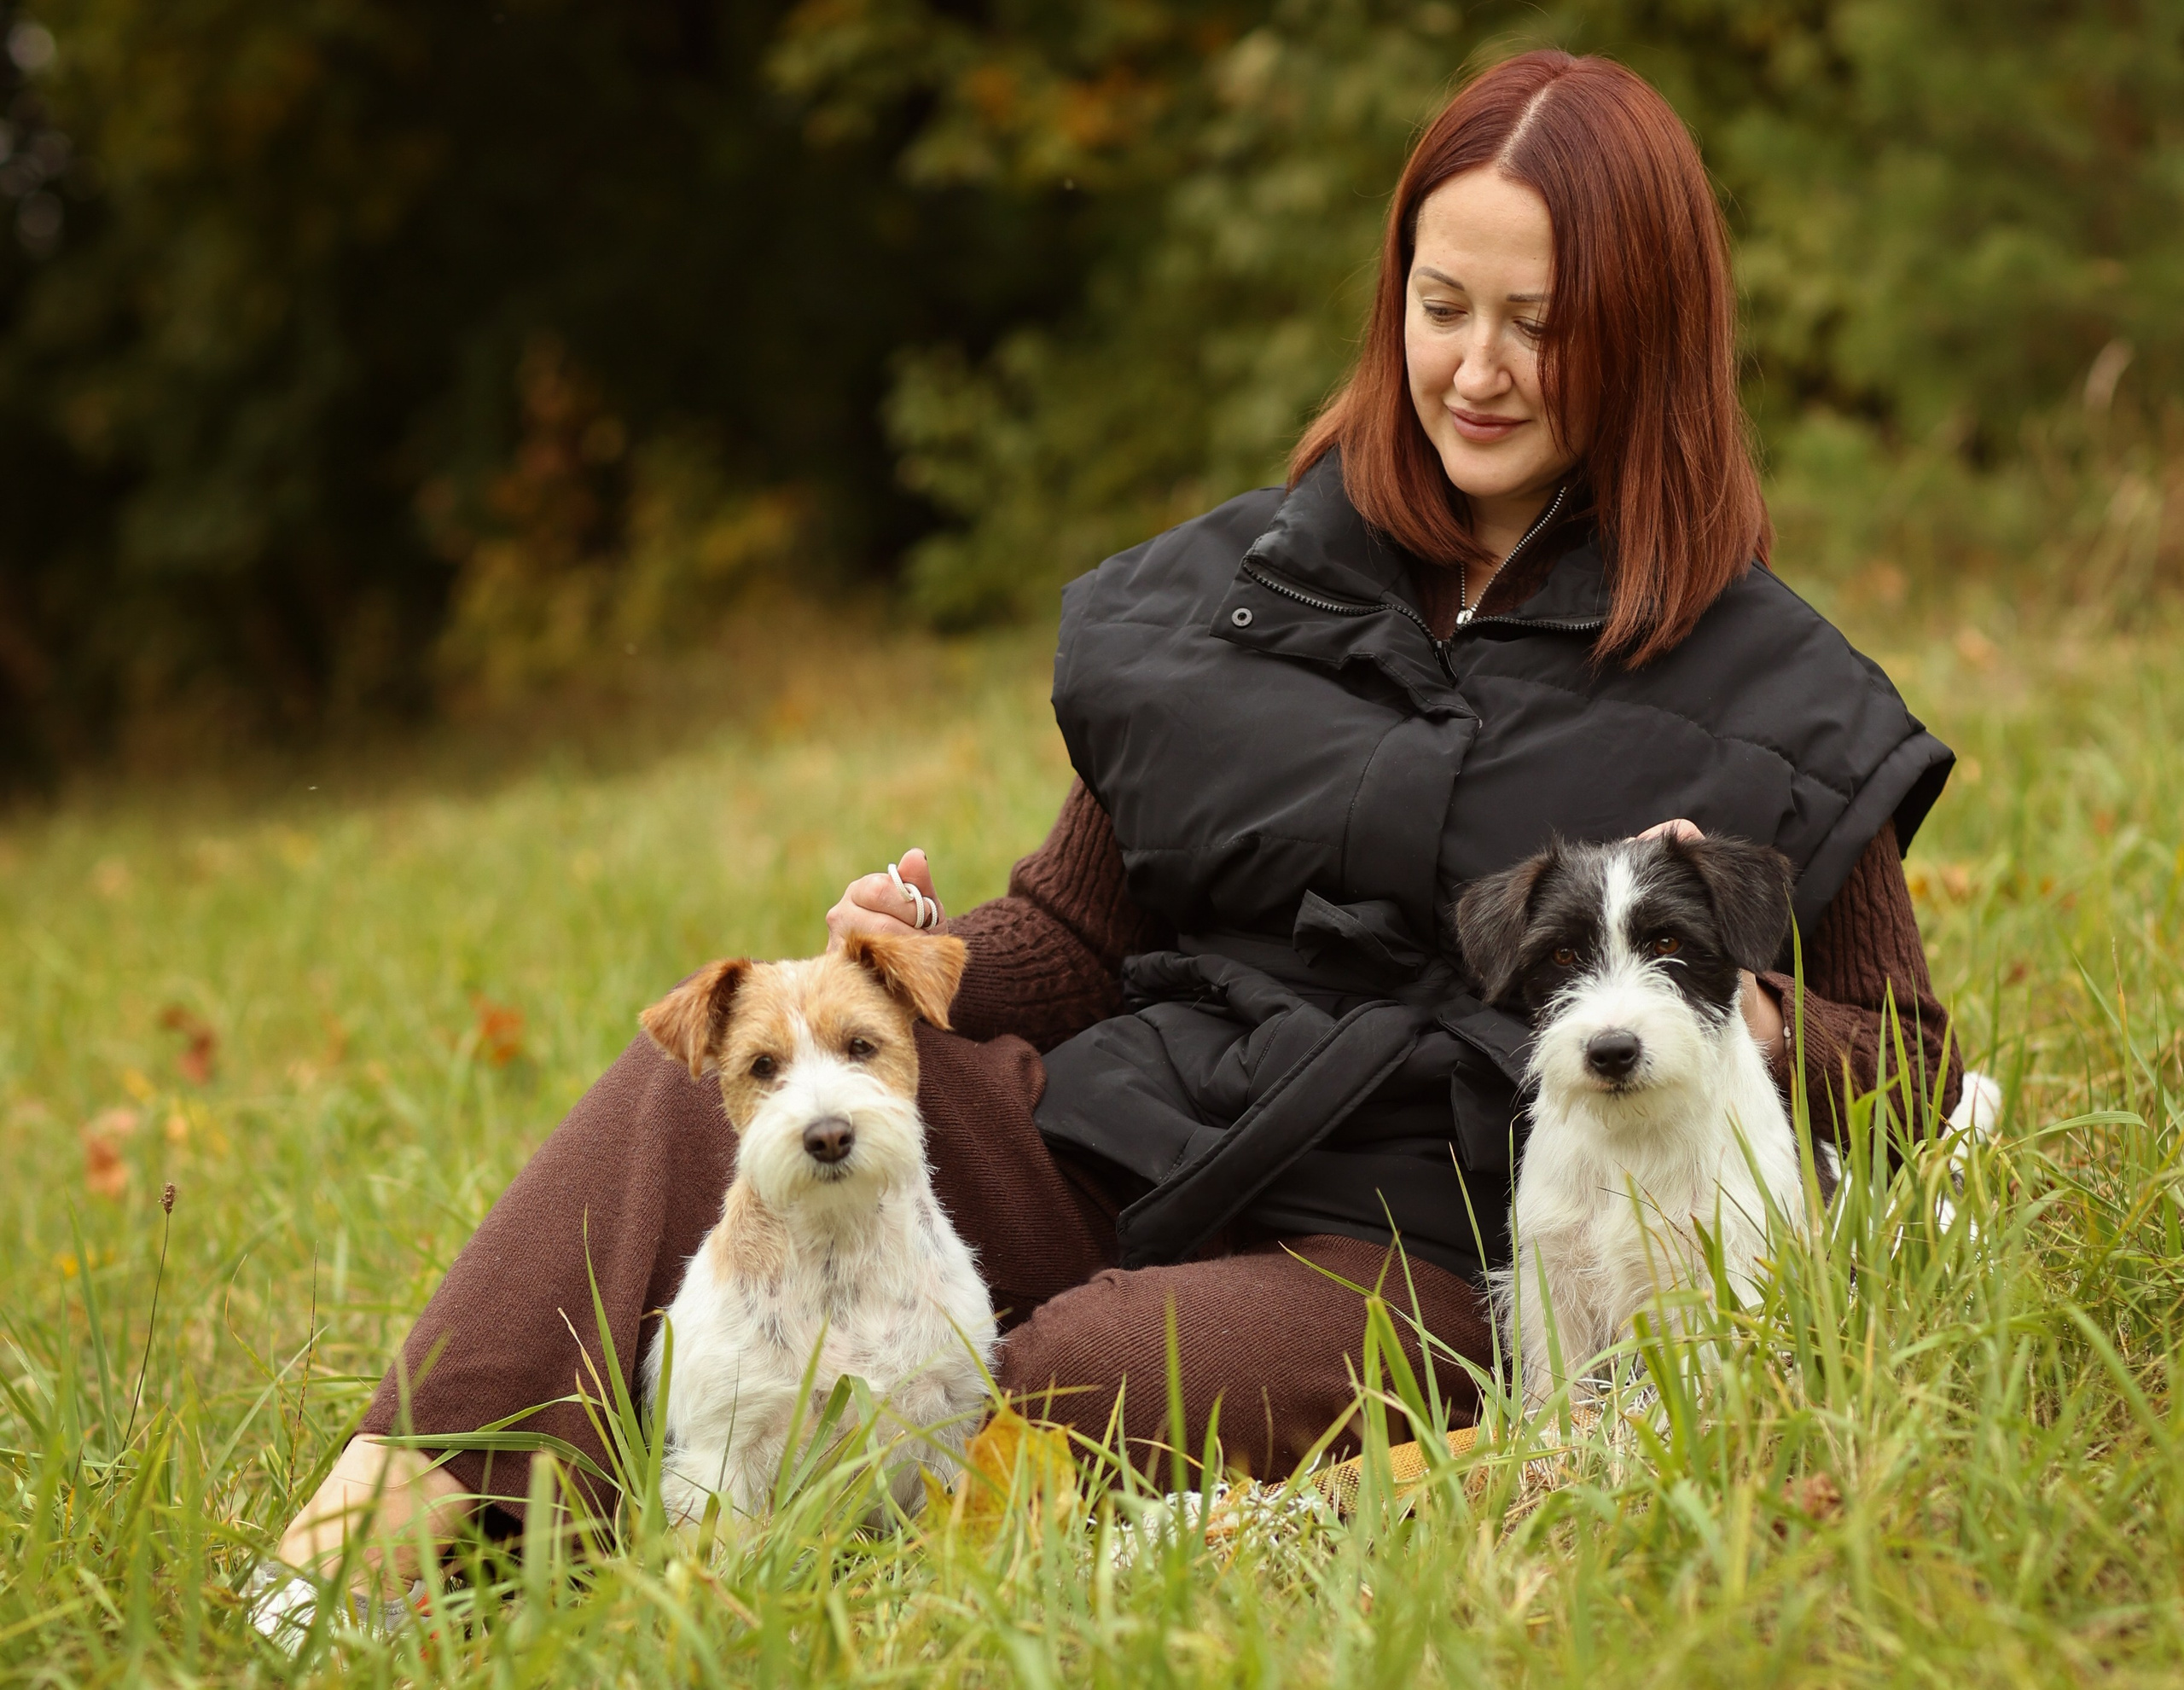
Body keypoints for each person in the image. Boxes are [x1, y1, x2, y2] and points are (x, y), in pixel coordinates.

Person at [276, 48, 1961, 1583]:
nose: (1476, 369)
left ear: (1647, 332)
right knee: (697, 1116)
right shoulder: (1256, 580)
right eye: (1441, 307)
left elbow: (1905, 1054)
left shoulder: (1764, 680)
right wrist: (919, 958)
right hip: (1147, 1112)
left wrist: (1722, 1011)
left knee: (1069, 1380)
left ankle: (735, 1544)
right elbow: (1080, 935)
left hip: (1422, 1231)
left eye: (1538, 323)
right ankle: (388, 1527)